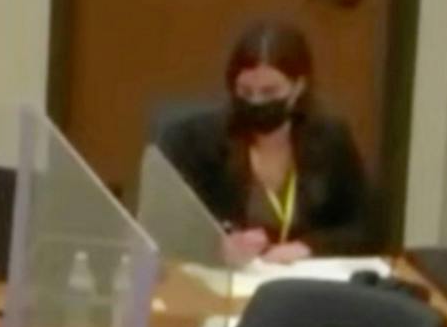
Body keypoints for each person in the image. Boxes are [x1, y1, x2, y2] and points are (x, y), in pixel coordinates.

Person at [158, 18, 375, 261]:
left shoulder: (330, 140)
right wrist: (217, 246)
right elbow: (165, 226)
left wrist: (308, 247)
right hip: (224, 281)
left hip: (305, 280)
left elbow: (363, 227)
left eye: (269, 92)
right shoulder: (196, 142)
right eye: (245, 92)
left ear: (298, 87)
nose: (256, 102)